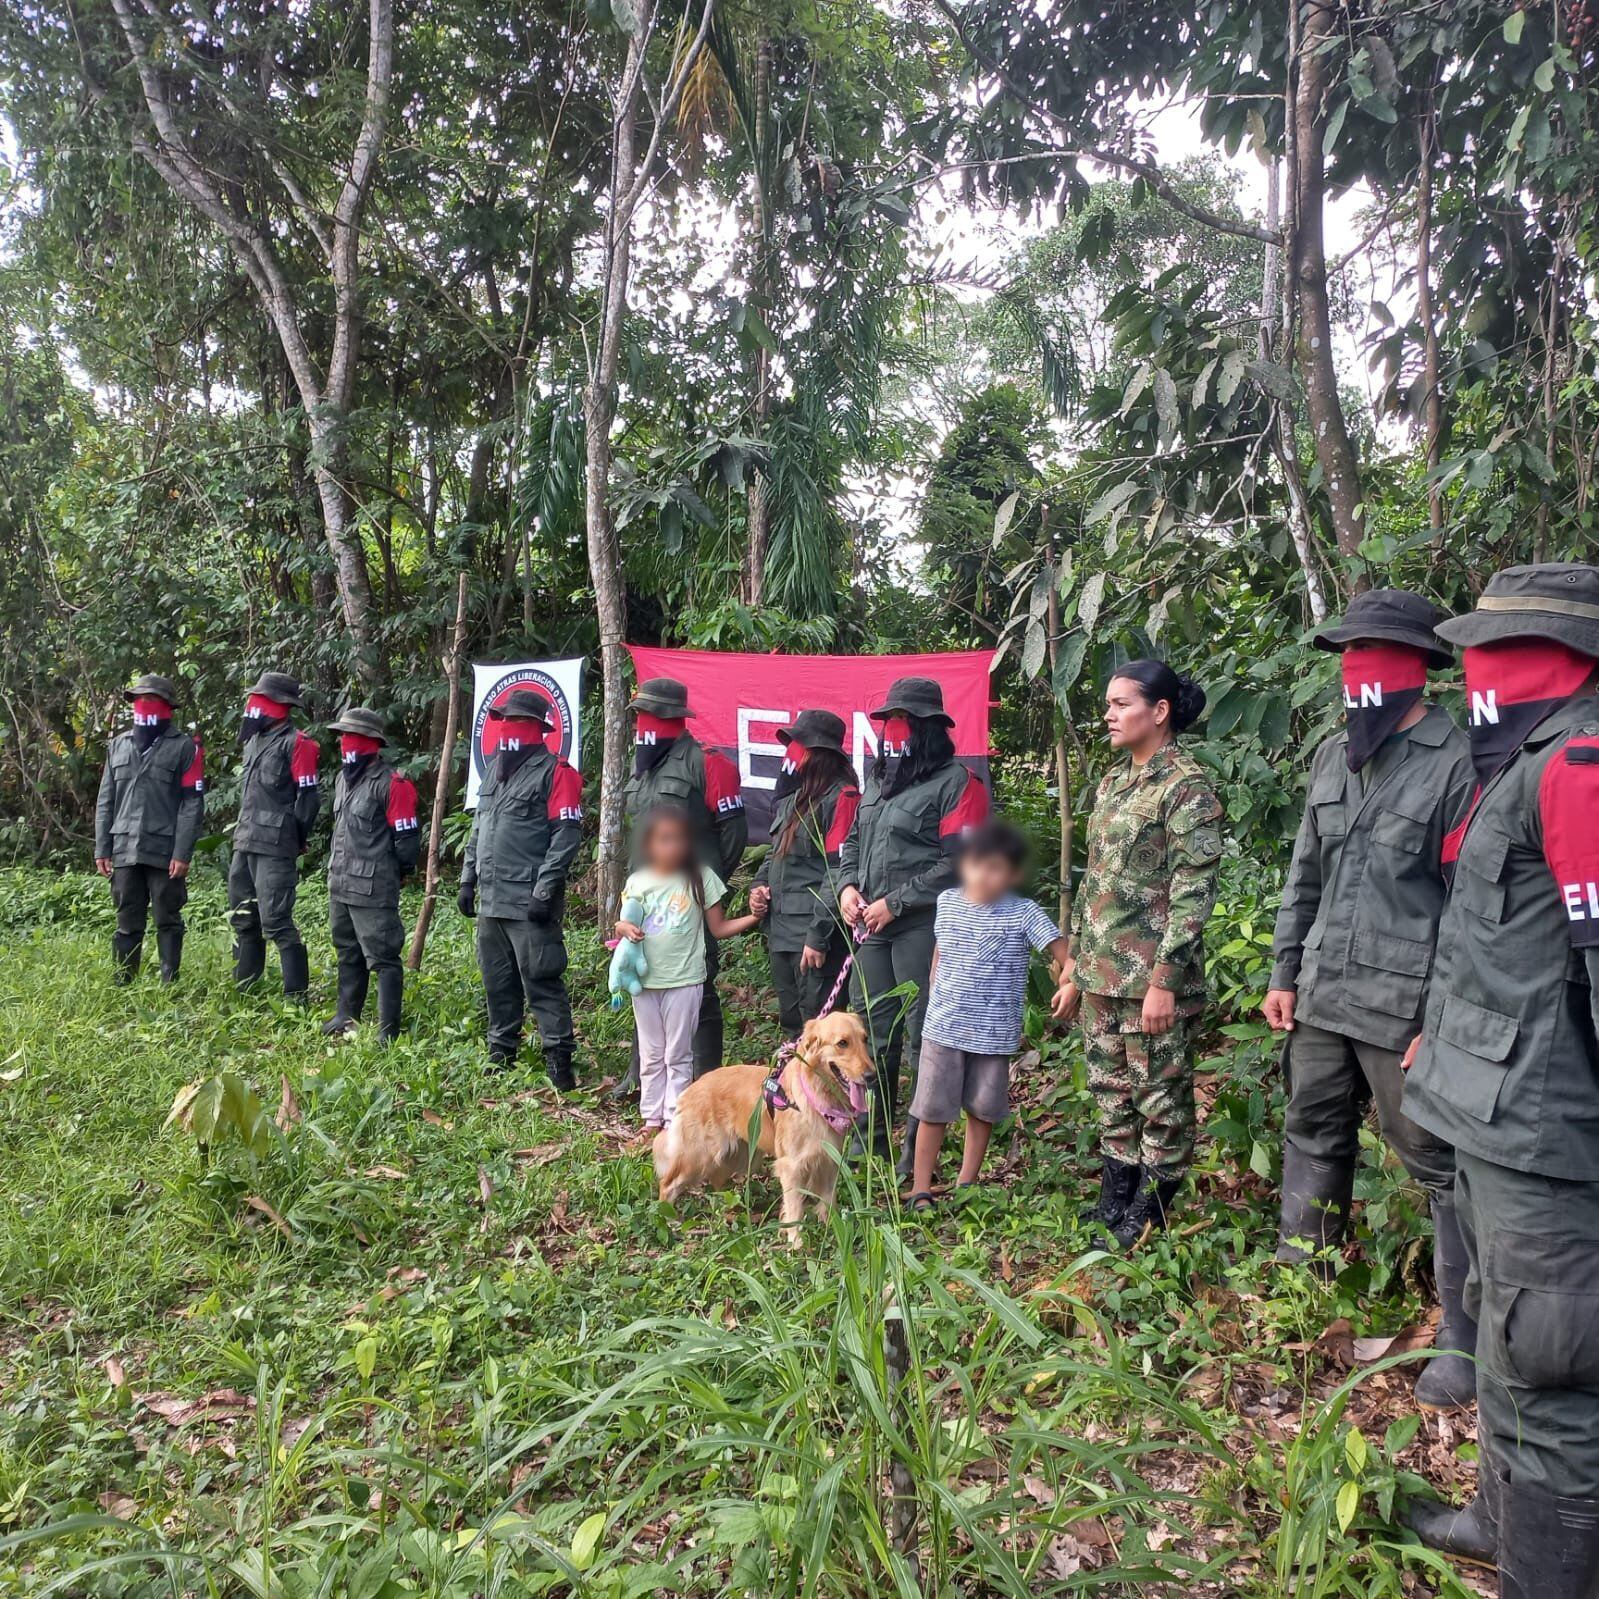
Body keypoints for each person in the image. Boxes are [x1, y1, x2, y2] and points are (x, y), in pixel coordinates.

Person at [1401, 564, 1599, 1592]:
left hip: (1547, 1145)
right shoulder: (1520, 761)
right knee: (1515, 1363)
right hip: (1491, 1127)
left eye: (1486, 647)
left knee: (1557, 1384)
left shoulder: (1578, 766)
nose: (1469, 666)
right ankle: (1498, 1524)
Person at [1263, 590, 1477, 1410]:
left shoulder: (1454, 763)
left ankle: (1462, 1340)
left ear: (1415, 669)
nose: (1354, 676)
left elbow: (1467, 909)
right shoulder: (1332, 756)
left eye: (1370, 659)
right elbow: (1303, 877)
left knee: (1437, 1164)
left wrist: (1440, 1018)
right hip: (1323, 990)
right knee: (1310, 1129)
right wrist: (1283, 972)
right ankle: (1303, 1288)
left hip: (1401, 1005)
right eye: (1346, 659)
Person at [1062, 659, 1223, 1249]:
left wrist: (1166, 981)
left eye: (1121, 703)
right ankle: (1116, 1198)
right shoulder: (1113, 782)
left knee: (1159, 1097)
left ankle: (1149, 1213)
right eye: (1107, 703)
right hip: (1103, 976)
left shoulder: (1186, 787)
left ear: (1159, 712)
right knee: (1111, 1092)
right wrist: (1077, 967)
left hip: (1150, 981)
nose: (1108, 714)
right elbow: (1094, 882)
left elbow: (1193, 892)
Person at [838, 676, 990, 1176]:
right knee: (868, 1038)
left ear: (926, 730)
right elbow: (853, 844)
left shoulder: (957, 785)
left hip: (926, 928)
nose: (890, 734)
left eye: (901, 725)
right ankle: (867, 1145)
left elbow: (960, 863)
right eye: (887, 725)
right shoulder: (878, 780)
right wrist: (848, 889)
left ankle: (914, 1159)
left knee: (925, 1039)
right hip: (871, 929)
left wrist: (896, 903)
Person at [907, 820, 1074, 1207]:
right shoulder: (947, 902)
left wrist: (1069, 985)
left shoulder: (1024, 913)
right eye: (977, 864)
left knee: (981, 1110)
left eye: (995, 867)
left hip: (993, 1033)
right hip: (943, 1026)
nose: (983, 875)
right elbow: (940, 952)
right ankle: (920, 1189)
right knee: (932, 1108)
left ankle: (967, 1184)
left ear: (1012, 874)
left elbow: (1065, 957)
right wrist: (934, 997)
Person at [616, 677, 748, 1094]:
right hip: (647, 899)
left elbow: (734, 835)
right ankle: (640, 1075)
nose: (643, 725)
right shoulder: (642, 768)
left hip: (691, 903)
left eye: (649, 716)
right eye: (639, 716)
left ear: (672, 718)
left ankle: (706, 1082)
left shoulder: (708, 764)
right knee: (646, 981)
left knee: (699, 988)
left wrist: (702, 888)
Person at [458, 689, 584, 1087]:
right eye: (503, 721)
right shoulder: (494, 769)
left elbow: (566, 835)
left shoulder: (556, 772)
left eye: (513, 722)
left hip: (529, 899)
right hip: (492, 898)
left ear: (534, 728)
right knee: (497, 980)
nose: (505, 728)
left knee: (542, 978)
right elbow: (480, 827)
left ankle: (558, 1059)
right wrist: (467, 878)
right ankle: (501, 1051)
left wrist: (545, 890)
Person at [616, 806, 764, 1132]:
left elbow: (719, 927)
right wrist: (623, 929)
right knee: (652, 1054)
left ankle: (677, 1123)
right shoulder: (638, 881)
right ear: (650, 844)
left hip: (685, 981)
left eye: (680, 839)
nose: (674, 847)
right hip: (646, 982)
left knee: (679, 1055)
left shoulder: (701, 877)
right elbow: (624, 923)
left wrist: (754, 918)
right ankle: (651, 1120)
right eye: (665, 839)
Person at [749, 709, 860, 1040]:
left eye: (800, 745)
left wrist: (818, 935)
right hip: (781, 932)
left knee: (822, 1030)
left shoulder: (843, 798)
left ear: (821, 754)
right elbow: (775, 854)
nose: (792, 754)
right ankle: (794, 1092)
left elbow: (838, 871)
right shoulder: (794, 800)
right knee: (791, 1025)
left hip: (812, 934)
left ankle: (828, 1093)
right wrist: (758, 886)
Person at [94, 672, 205, 984]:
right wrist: (102, 847)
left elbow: (191, 804)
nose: (144, 707)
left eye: (153, 701)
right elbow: (106, 799)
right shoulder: (118, 745)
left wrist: (182, 853)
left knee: (167, 918)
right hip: (125, 847)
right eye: (140, 701)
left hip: (164, 849)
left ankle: (170, 982)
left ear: (168, 707)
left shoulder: (185, 748)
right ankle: (123, 980)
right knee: (127, 918)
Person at [321, 707, 420, 1043]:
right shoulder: (341, 779)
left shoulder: (393, 785)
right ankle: (346, 1016)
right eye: (343, 737)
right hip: (341, 882)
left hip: (373, 887)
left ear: (371, 743)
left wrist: (399, 873)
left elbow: (407, 841)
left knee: (383, 957)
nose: (345, 743)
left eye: (353, 738)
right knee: (347, 952)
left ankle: (388, 1030)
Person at [229, 670, 320, 999]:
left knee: (277, 920)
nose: (253, 705)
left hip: (275, 846)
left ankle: (296, 998)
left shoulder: (298, 744)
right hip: (245, 840)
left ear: (280, 705)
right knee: (242, 917)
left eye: (261, 699)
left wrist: (293, 838)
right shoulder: (254, 740)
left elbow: (308, 800)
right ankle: (245, 990)